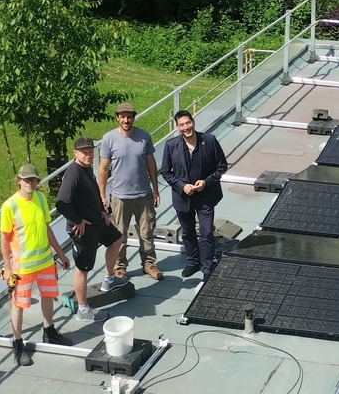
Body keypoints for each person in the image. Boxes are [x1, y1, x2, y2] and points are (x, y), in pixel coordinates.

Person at [0, 164, 72, 366]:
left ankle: (49, 332)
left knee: (48, 296)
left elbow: (46, 228)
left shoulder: (40, 198)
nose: (31, 183)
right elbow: (4, 239)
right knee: (19, 305)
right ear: (19, 180)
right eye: (27, 180)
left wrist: (60, 253)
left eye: (34, 180)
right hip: (22, 268)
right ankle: (18, 344)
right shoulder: (10, 206)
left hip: (45, 262)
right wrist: (8, 267)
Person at [56, 137, 128, 323]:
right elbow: (62, 203)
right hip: (83, 230)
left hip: (97, 221)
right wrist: (77, 221)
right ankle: (83, 309)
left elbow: (93, 193)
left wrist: (102, 211)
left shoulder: (86, 169)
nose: (88, 155)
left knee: (116, 240)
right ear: (75, 153)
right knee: (83, 269)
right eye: (84, 152)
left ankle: (109, 279)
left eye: (90, 151)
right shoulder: (73, 173)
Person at [160, 110, 228, 282]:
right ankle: (193, 261)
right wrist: (183, 187)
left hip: (205, 196)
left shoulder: (210, 141)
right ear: (177, 127)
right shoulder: (171, 145)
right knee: (188, 232)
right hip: (183, 197)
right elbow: (166, 172)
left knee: (206, 233)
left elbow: (221, 167)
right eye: (181, 125)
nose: (186, 127)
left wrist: (206, 182)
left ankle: (207, 266)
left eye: (188, 123)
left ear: (193, 122)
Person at [98, 103, 163, 280]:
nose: (126, 120)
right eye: (123, 116)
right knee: (120, 235)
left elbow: (151, 163)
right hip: (120, 197)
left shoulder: (144, 137)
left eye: (129, 116)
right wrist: (102, 196)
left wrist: (156, 190)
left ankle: (149, 264)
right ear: (117, 118)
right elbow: (103, 169)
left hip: (144, 195)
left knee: (147, 232)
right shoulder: (109, 139)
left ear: (134, 117)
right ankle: (120, 266)